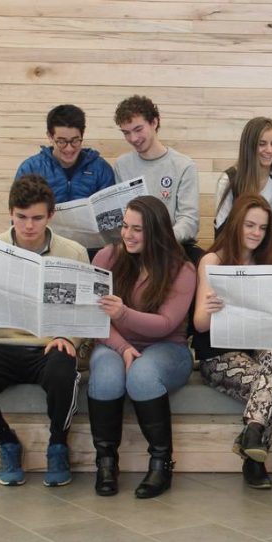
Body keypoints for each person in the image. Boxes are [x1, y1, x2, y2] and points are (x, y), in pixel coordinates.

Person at [0, 175, 87, 487]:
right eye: (22, 217)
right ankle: (7, 442)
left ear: (51, 215)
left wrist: (70, 338)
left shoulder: (73, 252)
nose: (29, 226)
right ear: (10, 213)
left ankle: (57, 445)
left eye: (37, 218)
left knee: (63, 374)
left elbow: (86, 313)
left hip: (49, 345)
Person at [87, 196, 196, 499]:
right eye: (125, 226)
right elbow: (95, 320)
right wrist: (121, 347)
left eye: (138, 229)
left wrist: (122, 313)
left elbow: (165, 324)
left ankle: (161, 463)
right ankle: (106, 463)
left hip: (167, 348)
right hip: (113, 342)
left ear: (157, 231)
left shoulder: (182, 270)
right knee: (107, 375)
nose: (127, 235)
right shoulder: (106, 258)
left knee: (142, 375)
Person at [192, 194, 272, 490]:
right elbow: (199, 323)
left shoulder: (266, 264)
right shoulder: (213, 259)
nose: (255, 233)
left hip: (254, 347)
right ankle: (254, 457)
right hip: (218, 356)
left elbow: (270, 322)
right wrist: (211, 309)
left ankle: (251, 435)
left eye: (262, 228)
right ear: (236, 224)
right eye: (250, 225)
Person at [113, 95, 200, 247]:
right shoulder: (122, 165)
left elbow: (189, 221)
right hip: (133, 246)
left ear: (154, 122)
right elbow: (122, 215)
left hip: (169, 246)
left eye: (138, 129)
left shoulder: (184, 166)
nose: (133, 138)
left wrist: (157, 241)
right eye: (126, 133)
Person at [15, 104, 115, 204]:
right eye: (61, 142)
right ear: (50, 136)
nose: (69, 149)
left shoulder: (101, 169)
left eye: (75, 141)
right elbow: (20, 213)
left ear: (82, 134)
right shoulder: (31, 168)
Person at [214, 117, 272, 236]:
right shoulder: (229, 180)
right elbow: (221, 230)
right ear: (249, 147)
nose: (269, 150)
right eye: (262, 144)